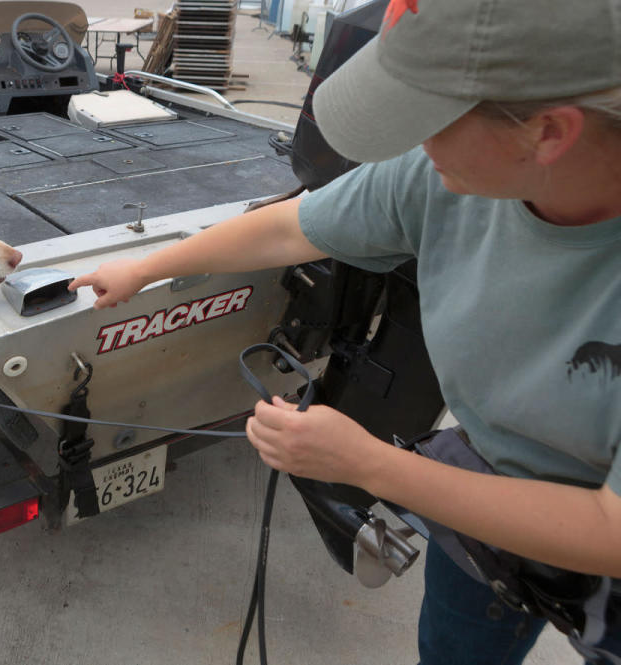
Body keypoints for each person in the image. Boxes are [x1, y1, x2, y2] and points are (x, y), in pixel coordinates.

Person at [68, 0, 621, 662]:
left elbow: (609, 528)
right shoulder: (440, 179)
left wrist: (368, 464)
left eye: (429, 121)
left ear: (548, 132)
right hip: (482, 502)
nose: (412, 145)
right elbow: (290, 226)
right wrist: (147, 267)